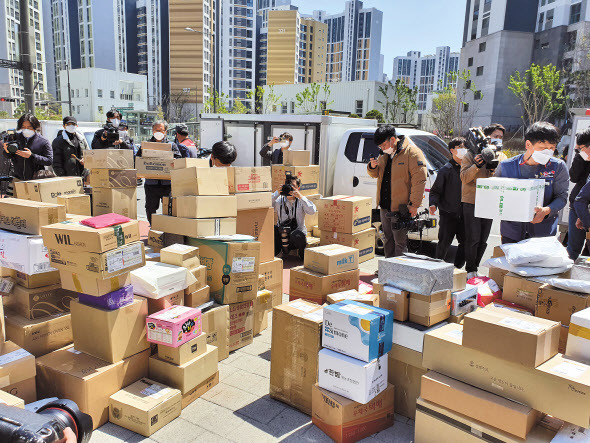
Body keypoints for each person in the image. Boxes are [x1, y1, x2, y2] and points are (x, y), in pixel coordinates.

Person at [495, 122, 568, 244]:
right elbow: (495, 194)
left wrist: (547, 210)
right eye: (543, 148)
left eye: (552, 148)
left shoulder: (558, 166)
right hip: (512, 232)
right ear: (528, 144)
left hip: (543, 233)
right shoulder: (506, 166)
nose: (548, 152)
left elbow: (562, 197)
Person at [367, 125, 427, 257]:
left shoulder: (412, 152)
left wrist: (414, 205)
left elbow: (420, 180)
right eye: (380, 147)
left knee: (400, 242)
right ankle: (388, 268)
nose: (382, 149)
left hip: (401, 207)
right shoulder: (384, 155)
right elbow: (377, 174)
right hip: (384, 205)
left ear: (393, 139)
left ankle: (400, 272)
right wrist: (372, 167)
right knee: (387, 239)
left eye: (383, 145)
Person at [460, 129, 508, 279]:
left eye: (500, 137)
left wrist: (493, 170)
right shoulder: (469, 155)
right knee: (473, 238)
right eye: (494, 136)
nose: (497, 140)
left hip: (490, 202)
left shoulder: (500, 156)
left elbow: (502, 178)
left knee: (483, 240)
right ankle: (470, 269)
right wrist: (476, 165)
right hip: (471, 201)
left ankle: (475, 267)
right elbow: (464, 178)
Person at [429, 137, 467, 268]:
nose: (464, 150)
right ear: (452, 150)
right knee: (444, 243)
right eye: (460, 148)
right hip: (448, 215)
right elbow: (435, 191)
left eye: (465, 147)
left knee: (465, 244)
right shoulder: (446, 170)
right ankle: (437, 269)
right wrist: (433, 204)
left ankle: (457, 270)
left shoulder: (470, 169)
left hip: (464, 215)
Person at [136, 120, 184, 223]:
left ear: (165, 131)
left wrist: (175, 162)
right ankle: (153, 227)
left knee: (169, 208)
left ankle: (168, 228)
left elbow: (179, 160)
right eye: (156, 130)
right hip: (151, 183)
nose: (158, 132)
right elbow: (138, 159)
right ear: (152, 131)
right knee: (150, 208)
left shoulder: (172, 145)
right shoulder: (146, 145)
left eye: (161, 130)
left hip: (167, 184)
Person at [3, 113, 53, 195]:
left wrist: (32, 156)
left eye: (29, 127)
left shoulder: (43, 141)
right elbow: (8, 156)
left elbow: (49, 160)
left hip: (36, 180)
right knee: (13, 205)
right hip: (17, 179)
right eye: (23, 127)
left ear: (35, 127)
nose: (26, 129)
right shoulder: (15, 138)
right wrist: (6, 151)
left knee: (33, 205)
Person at [272, 175, 317, 259]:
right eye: (288, 185)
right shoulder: (279, 200)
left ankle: (301, 254)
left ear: (298, 188)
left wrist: (300, 196)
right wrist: (277, 193)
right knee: (273, 229)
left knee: (298, 235)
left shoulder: (301, 201)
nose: (290, 189)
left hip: (296, 236)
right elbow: (265, 204)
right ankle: (277, 253)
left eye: (293, 186)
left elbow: (312, 211)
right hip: (282, 234)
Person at [567, 129, 590, 259]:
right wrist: (579, 155)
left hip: (585, 206)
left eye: (580, 148)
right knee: (573, 249)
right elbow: (574, 177)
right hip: (578, 207)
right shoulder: (582, 156)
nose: (579, 151)